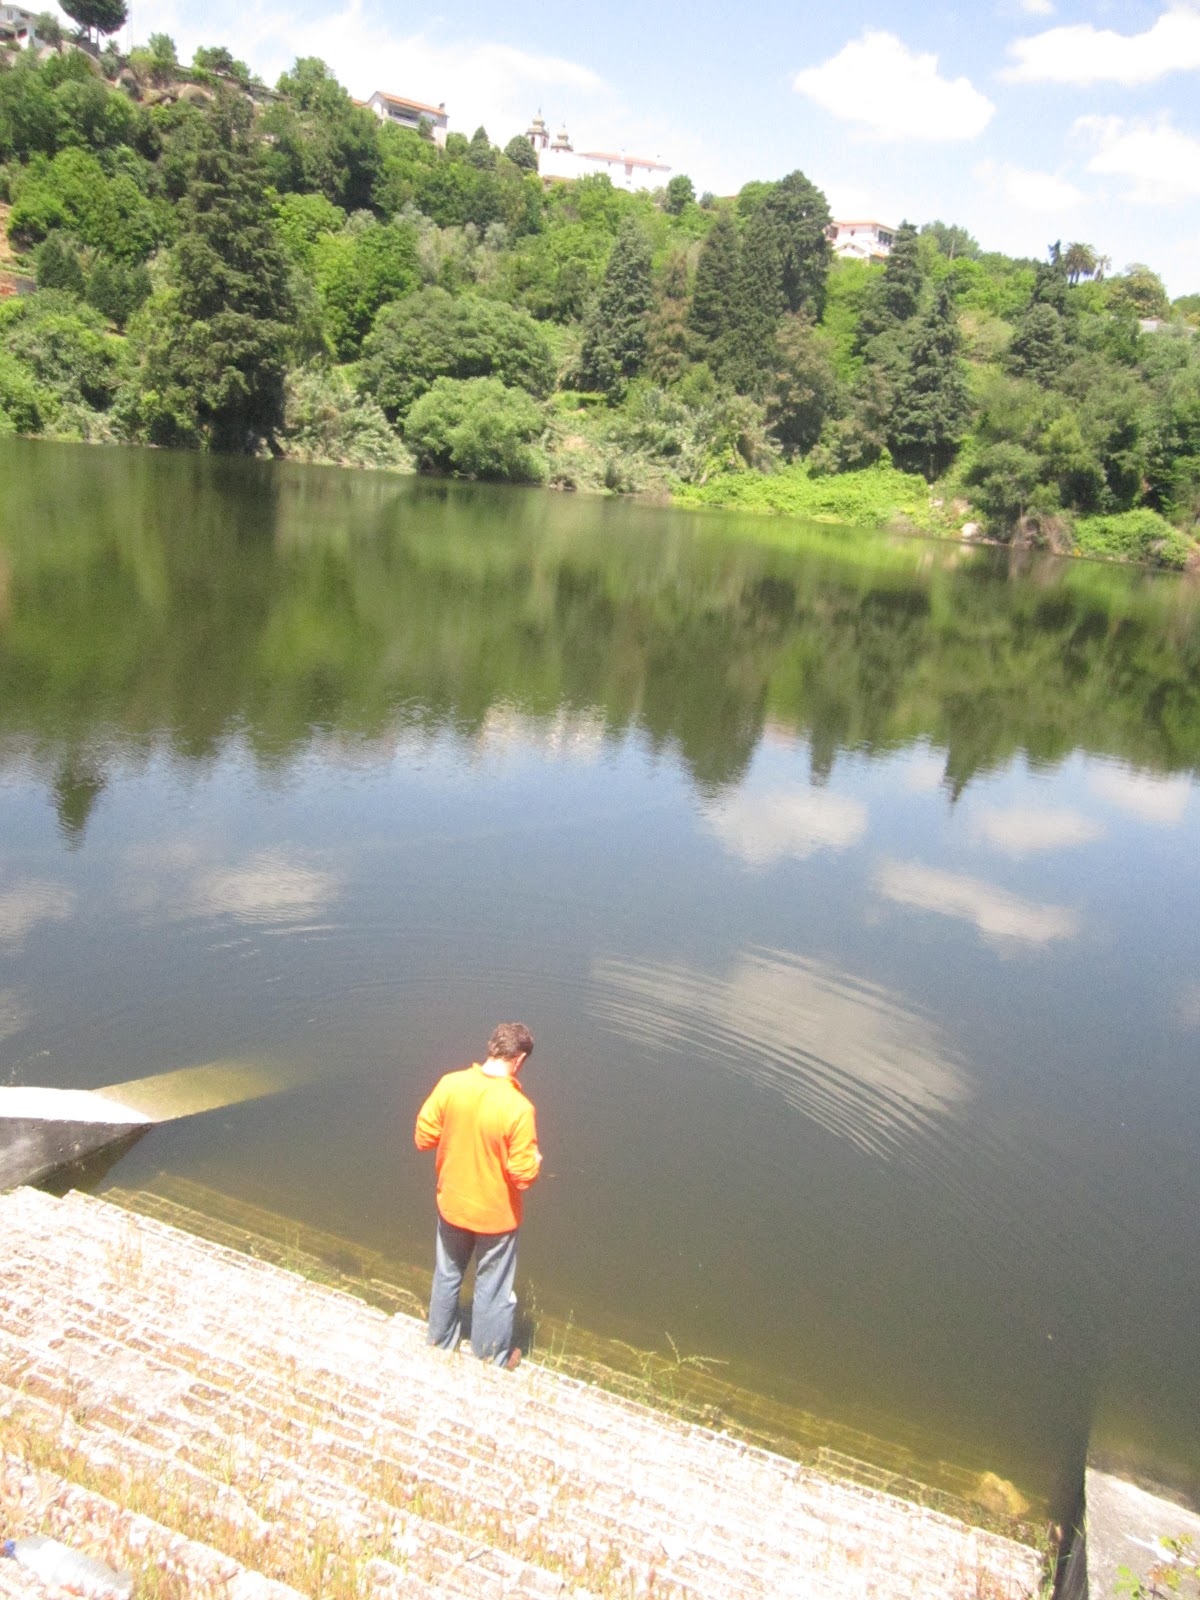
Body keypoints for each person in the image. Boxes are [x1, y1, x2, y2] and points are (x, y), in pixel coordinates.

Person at [414, 1022, 542, 1368]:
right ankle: (489, 1356)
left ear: (491, 1048)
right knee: (492, 1288)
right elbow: (522, 1177)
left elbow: (423, 1138)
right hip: (496, 1218)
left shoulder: (450, 1084)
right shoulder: (519, 1108)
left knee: (448, 1273)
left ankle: (440, 1341)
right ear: (519, 1060)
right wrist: (535, 1161)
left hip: (452, 1205)